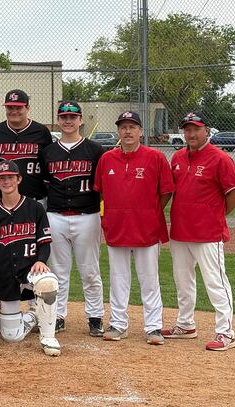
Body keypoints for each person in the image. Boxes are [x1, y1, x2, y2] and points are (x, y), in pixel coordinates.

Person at [162, 111, 235, 351]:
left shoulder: (220, 158)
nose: (191, 134)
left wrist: (217, 215)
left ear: (206, 130)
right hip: (180, 230)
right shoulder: (177, 157)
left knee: (215, 282)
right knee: (183, 280)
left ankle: (226, 332)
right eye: (187, 129)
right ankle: (186, 324)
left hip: (207, 232)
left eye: (196, 129)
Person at [94, 111, 173, 345]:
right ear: (118, 131)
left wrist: (148, 212)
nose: (127, 131)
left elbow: (166, 192)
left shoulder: (155, 157)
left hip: (147, 228)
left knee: (149, 279)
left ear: (140, 131)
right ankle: (118, 324)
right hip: (117, 227)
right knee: (118, 279)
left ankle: (154, 327)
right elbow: (100, 191)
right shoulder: (107, 159)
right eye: (123, 127)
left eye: (132, 127)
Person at [40, 101, 105, 336]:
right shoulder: (48, 152)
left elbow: (101, 186)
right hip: (56, 215)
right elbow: (46, 184)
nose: (68, 121)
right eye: (64, 117)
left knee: (90, 271)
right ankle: (58, 316)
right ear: (58, 119)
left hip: (87, 215)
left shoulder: (95, 150)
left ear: (80, 121)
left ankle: (95, 316)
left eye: (73, 117)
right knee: (58, 271)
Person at [0, 160, 61, 356]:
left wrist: (41, 261)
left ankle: (48, 336)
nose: (6, 181)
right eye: (1, 178)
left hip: (30, 271)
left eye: (10, 177)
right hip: (5, 276)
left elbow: (44, 243)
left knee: (48, 282)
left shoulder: (34, 208)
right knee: (11, 336)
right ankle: (33, 317)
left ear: (19, 179)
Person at [0, 89, 54, 206]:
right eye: (10, 108)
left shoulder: (41, 131)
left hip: (35, 198)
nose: (14, 111)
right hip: (1, 199)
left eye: (19, 108)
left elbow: (48, 164)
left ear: (27, 108)